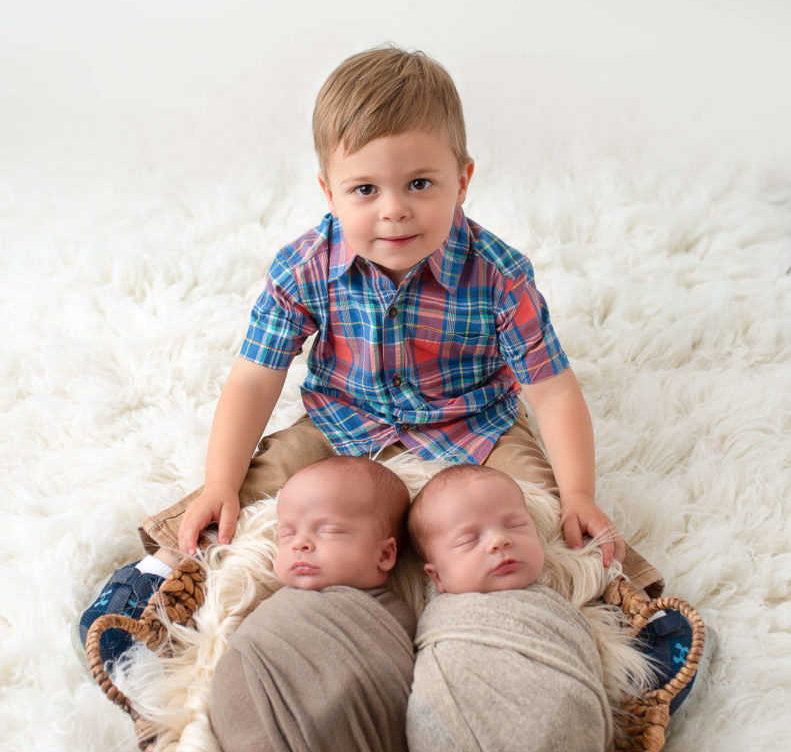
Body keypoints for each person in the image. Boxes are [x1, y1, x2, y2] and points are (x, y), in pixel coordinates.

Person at [79, 43, 687, 691]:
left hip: (472, 420)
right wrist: (219, 482)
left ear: (463, 178)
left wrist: (579, 494)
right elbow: (255, 379)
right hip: (345, 416)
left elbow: (553, 391)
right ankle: (155, 586)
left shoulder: (498, 274)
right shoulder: (305, 266)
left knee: (534, 509)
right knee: (260, 487)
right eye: (365, 189)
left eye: (419, 184)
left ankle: (629, 615)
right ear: (329, 192)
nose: (393, 209)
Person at [405, 464, 627, 752]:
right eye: (469, 539)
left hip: (565, 746)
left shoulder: (553, 602)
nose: (499, 540)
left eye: (516, 525)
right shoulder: (438, 618)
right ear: (438, 577)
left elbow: (583, 652)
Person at [208, 456, 416, 752]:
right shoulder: (277, 605)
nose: (300, 544)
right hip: (250, 724)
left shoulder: (396, 618)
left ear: (385, 554)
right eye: (287, 533)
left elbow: (401, 683)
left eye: (328, 530)